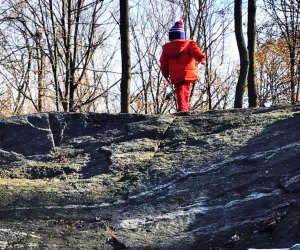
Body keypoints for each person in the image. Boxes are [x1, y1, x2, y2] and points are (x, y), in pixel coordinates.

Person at [160, 20, 206, 115]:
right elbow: (196, 51)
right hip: (187, 71)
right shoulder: (189, 44)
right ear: (182, 35)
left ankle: (183, 107)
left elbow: (163, 62)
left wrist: (165, 73)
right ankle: (183, 108)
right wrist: (201, 58)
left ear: (171, 37)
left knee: (180, 89)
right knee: (185, 89)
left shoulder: (167, 49)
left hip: (176, 74)